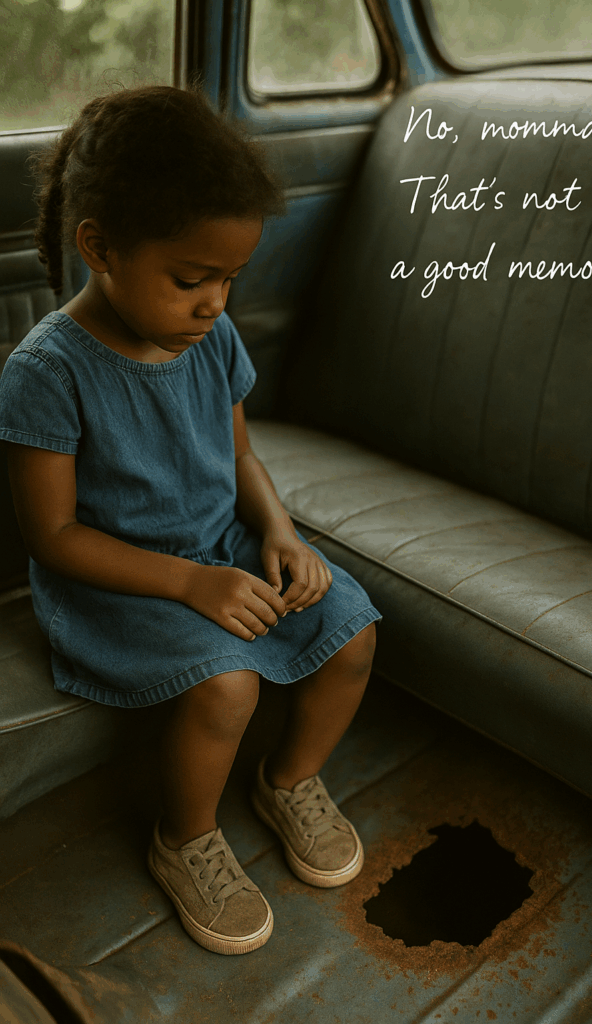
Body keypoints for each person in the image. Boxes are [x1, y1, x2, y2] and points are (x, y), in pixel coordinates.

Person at [0, 85, 381, 956]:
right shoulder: (46, 372)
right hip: (116, 577)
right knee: (228, 684)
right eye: (189, 279)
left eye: (228, 280)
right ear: (100, 246)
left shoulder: (211, 337)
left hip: (224, 546)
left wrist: (280, 533)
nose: (213, 303)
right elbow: (52, 537)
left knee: (352, 630)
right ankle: (185, 839)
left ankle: (289, 780)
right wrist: (189, 582)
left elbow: (240, 457)